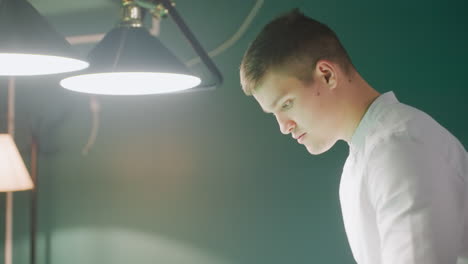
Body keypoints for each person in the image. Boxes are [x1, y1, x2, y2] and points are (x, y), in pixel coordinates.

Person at [239, 8, 468, 264]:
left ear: (327, 75)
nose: (284, 126)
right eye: (274, 113)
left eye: (286, 104)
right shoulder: (366, 157)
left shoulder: (398, 147)